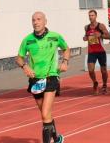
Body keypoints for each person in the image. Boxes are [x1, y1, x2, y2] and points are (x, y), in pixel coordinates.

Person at [17, 11, 69, 143]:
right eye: (33, 20)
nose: (36, 22)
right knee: (45, 114)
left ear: (45, 21)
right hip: (35, 80)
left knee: (45, 113)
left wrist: (65, 61)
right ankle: (57, 138)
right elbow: (19, 58)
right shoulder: (27, 40)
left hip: (51, 77)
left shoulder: (55, 37)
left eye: (39, 19)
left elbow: (66, 48)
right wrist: (25, 67)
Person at [83, 10, 110, 95]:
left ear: (96, 16)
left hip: (101, 51)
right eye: (89, 15)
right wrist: (85, 38)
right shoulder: (86, 27)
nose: (91, 17)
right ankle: (95, 82)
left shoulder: (100, 26)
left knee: (104, 71)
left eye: (92, 15)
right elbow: (86, 36)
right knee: (90, 70)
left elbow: (108, 36)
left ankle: (105, 85)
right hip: (91, 52)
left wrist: (101, 35)